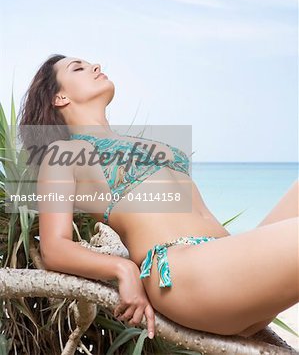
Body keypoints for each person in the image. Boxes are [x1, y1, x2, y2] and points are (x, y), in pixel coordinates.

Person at [18, 54, 299, 341]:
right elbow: (54, 247)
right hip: (183, 276)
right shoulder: (62, 154)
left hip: (228, 268)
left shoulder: (138, 143)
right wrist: (123, 268)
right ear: (59, 97)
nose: (95, 66)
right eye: (78, 68)